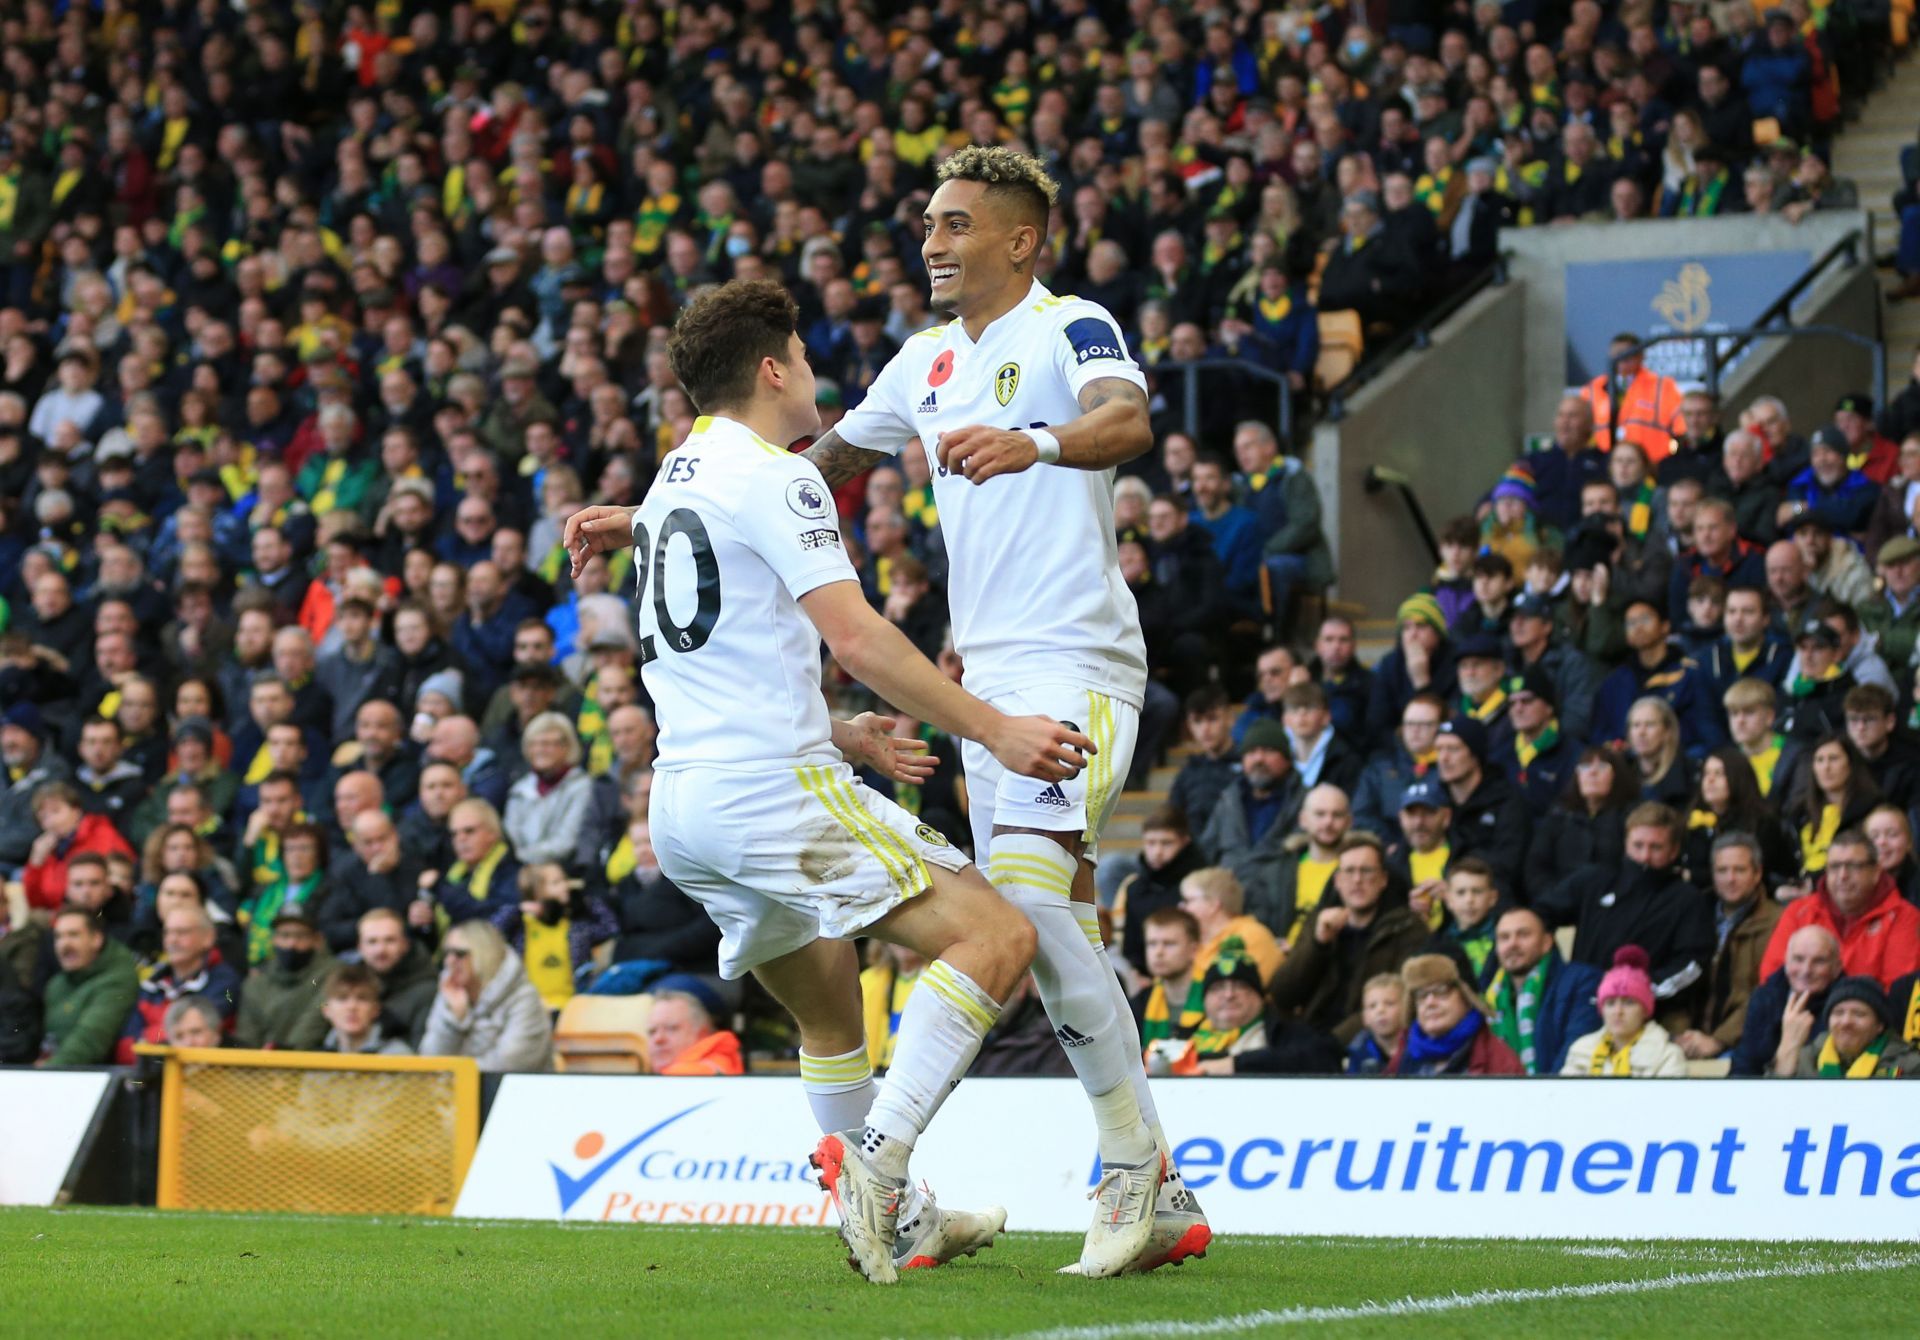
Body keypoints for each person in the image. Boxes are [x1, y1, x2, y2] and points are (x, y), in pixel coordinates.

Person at [564, 269, 1152, 1280]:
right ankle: (876, 1170)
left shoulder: (675, 479)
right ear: (770, 367)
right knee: (998, 932)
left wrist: (846, 734)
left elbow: (728, 665)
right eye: (801, 357)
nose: (814, 375)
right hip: (769, 795)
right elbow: (861, 638)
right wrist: (995, 727)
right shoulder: (774, 476)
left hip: (684, 803)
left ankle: (909, 1217)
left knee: (832, 1001)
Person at [1535, 803, 1716, 1000]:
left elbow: (1692, 964)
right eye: (1638, 845)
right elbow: (1537, 917)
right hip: (1580, 1003)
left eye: (1656, 847)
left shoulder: (1687, 899)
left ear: (1674, 851)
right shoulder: (1594, 880)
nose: (1645, 856)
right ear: (1626, 843)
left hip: (1648, 1012)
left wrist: (1636, 992)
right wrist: (1560, 973)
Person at [1268, 834, 1426, 1041]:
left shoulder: (1407, 928)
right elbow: (1282, 995)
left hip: (1364, 1043)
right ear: (1338, 881)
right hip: (1307, 1035)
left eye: (1366, 871)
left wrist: (1332, 1044)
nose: (1357, 880)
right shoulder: (1319, 921)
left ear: (1383, 880)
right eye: (1349, 871)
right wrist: (1318, 945)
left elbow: (1399, 1002)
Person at [1760, 829, 1920, 984]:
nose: (1843, 876)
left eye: (1854, 866)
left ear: (1876, 872)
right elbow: (1772, 977)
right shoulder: (1799, 911)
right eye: (1835, 866)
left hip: (1868, 1011)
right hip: (1796, 1009)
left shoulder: (1904, 916)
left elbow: (1899, 990)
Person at [418, 919, 555, 1072]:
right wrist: (454, 1021)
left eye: (459, 954)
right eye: (447, 953)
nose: (449, 961)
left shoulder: (524, 997)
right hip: (456, 1092)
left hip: (515, 1091)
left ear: (484, 954)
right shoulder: (451, 993)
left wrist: (456, 1073)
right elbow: (430, 1059)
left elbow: (511, 1063)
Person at [117, 905, 242, 1061]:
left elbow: (195, 1035)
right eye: (168, 932)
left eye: (182, 932)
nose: (172, 940)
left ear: (208, 937)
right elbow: (125, 1050)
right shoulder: (150, 984)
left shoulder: (225, 982)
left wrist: (148, 1039)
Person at [493, 862, 619, 1012]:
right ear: (536, 890)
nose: (565, 886)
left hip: (570, 1009)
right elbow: (493, 933)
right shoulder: (521, 926)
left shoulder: (576, 928)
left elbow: (611, 927)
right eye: (556, 883)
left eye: (565, 880)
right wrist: (518, 910)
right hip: (529, 1008)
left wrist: (586, 900)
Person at [1384, 953, 1524, 1076]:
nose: (1430, 1002)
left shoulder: (1500, 1062)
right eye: (1421, 995)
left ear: (1467, 997)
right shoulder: (1401, 1058)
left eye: (1441, 991)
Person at [1730, 924, 1844, 1076]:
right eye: (1798, 959)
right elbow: (1743, 1069)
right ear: (1786, 961)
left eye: (1819, 961)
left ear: (1836, 968)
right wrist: (1787, 1046)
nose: (1806, 970)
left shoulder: (1848, 1006)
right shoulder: (1764, 998)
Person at [1560, 947, 1690, 1077]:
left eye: (1629, 1003)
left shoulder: (1668, 1056)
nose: (1618, 1011)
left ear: (1645, 1010)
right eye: (1610, 1003)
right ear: (1601, 1010)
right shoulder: (1580, 1050)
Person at [1112, 808, 1207, 983]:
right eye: (1151, 843)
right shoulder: (1134, 888)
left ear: (1185, 842)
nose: (1157, 851)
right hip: (1146, 981)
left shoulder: (1200, 886)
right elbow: (1131, 948)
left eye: (1166, 843)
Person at [38, 908, 141, 1066]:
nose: (65, 944)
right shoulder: (57, 984)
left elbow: (89, 1041)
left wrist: (44, 1074)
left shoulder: (117, 978)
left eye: (74, 935)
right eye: (58, 937)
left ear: (96, 939)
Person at [1772, 975, 1920, 1078]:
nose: (1846, 1022)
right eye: (1838, 1013)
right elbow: (1772, 1105)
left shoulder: (1910, 1065)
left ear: (1879, 1026)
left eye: (1859, 1014)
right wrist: (1787, 1052)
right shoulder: (1806, 1058)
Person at [21, 781, 136, 912]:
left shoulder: (100, 833)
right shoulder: (47, 850)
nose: (51, 821)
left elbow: (121, 878)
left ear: (76, 811)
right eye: (44, 817)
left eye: (56, 811)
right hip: (59, 917)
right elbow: (35, 903)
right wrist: (35, 863)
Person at [231, 907, 333, 1052]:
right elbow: (247, 1037)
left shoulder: (332, 974)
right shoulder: (256, 983)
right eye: (285, 935)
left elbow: (314, 1023)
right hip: (263, 1067)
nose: (292, 944)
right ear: (274, 939)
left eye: (301, 936)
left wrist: (283, 1054)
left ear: (317, 940)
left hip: (313, 1063)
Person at [1179, 866, 1285, 987]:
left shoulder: (1252, 936)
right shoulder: (1194, 942)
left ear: (1213, 904)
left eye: (1188, 901)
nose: (1181, 907)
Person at [357, 908, 440, 1047]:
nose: (380, 950)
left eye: (390, 940)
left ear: (405, 944)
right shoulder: (348, 984)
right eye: (372, 941)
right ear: (360, 947)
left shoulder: (428, 990)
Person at [1166, 688, 1240, 828]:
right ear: (1189, 726)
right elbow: (1172, 820)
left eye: (1212, 719)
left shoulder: (1249, 764)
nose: (1205, 729)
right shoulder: (1187, 773)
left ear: (1230, 718)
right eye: (1197, 721)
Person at [1132, 907, 1203, 1050]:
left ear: (1193, 950)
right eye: (1152, 944)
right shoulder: (1139, 1004)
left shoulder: (1219, 996)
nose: (1158, 952)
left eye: (1169, 944)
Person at [647, 984, 747, 1076]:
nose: (658, 1039)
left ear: (702, 1032)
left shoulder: (693, 1073)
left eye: (671, 1028)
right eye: (652, 1032)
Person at [319, 963, 413, 1056]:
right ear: (326, 1010)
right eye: (342, 998)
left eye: (362, 998)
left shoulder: (398, 1055)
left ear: (376, 1010)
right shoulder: (317, 1056)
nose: (352, 1006)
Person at [1344, 974, 1409, 1075]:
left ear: (1406, 1009)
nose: (1380, 1010)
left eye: (1389, 1003)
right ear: (1365, 1017)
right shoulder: (1358, 1051)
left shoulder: (1417, 1047)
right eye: (1372, 1006)